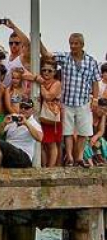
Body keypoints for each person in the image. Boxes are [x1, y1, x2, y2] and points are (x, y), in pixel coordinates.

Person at [43, 33, 100, 167]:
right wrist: (38, 40)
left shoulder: (91, 61)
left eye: (76, 43)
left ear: (82, 45)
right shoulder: (65, 57)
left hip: (83, 101)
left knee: (84, 132)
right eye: (71, 43)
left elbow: (95, 81)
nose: (73, 46)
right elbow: (47, 55)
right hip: (67, 101)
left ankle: (79, 157)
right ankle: (69, 157)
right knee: (67, 132)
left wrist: (95, 99)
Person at [0, 99, 42, 168]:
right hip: (10, 153)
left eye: (26, 108)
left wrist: (26, 123)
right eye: (21, 107)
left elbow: (40, 138)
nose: (23, 109)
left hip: (24, 156)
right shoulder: (13, 117)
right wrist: (4, 123)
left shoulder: (34, 123)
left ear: (32, 110)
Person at [32, 60, 62, 167]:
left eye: (49, 71)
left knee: (51, 143)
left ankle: (51, 166)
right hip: (41, 115)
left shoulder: (57, 83)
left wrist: (40, 84)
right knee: (42, 143)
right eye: (44, 70)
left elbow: (48, 96)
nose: (46, 72)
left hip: (51, 115)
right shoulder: (42, 80)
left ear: (54, 72)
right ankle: (44, 165)